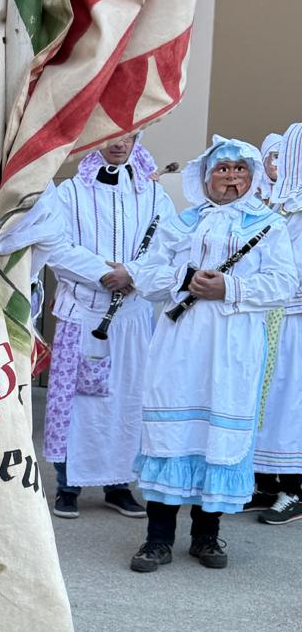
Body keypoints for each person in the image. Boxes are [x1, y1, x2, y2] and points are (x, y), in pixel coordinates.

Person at [127, 137, 296, 571]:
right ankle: (157, 539)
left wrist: (229, 287)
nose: (231, 177)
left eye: (240, 170)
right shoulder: (180, 223)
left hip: (234, 348)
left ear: (252, 177)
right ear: (205, 177)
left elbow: (284, 284)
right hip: (178, 346)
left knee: (216, 440)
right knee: (171, 437)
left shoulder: (270, 225)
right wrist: (184, 279)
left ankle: (206, 536)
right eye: (222, 169)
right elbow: (146, 276)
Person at [22, 131, 174, 520]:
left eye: (129, 137)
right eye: (112, 136)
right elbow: (54, 244)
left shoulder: (154, 195)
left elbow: (169, 248)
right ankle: (67, 485)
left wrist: (132, 274)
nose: (119, 144)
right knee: (76, 401)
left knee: (127, 399)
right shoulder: (70, 192)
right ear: (96, 139)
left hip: (133, 317)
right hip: (83, 313)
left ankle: (119, 484)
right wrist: (100, 273)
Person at [253, 120, 302, 524]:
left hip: (296, 320)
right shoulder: (277, 205)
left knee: (291, 402)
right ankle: (267, 481)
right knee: (267, 400)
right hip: (271, 318)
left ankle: (296, 488)